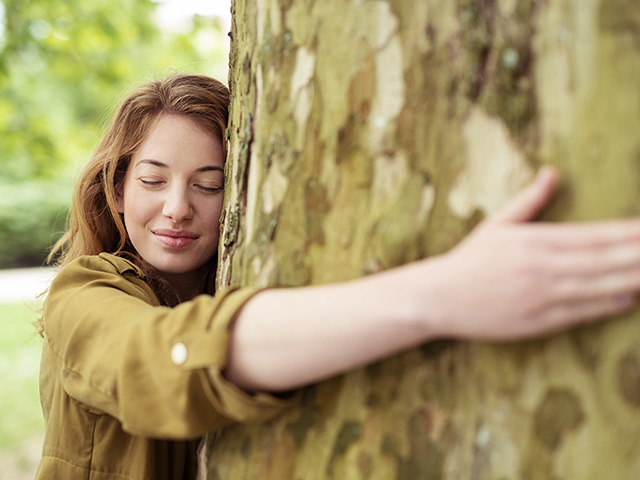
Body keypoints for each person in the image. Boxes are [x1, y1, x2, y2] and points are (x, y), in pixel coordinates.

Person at [36, 73, 640, 479]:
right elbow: (154, 360)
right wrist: (447, 293)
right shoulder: (82, 293)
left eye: (209, 184)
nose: (177, 207)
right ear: (116, 189)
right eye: (152, 180)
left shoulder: (242, 279)